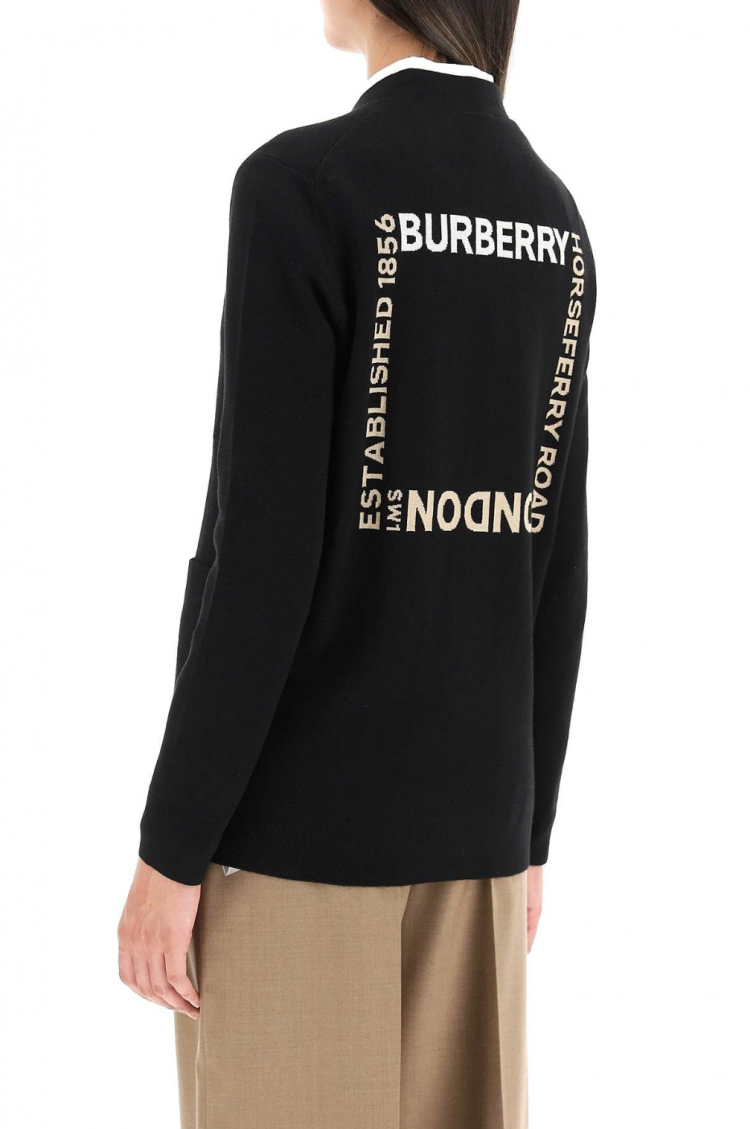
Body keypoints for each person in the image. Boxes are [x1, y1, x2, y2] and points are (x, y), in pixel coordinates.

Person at [118, 1, 595, 1125]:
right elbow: (555, 554)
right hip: (480, 830)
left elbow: (262, 559)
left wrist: (170, 849)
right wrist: (529, 833)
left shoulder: (300, 187)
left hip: (300, 839)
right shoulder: (555, 218)